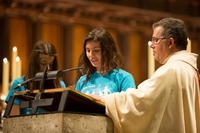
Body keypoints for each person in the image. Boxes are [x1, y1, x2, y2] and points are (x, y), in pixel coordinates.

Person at [88, 18, 200, 133]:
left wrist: (106, 99)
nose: (151, 45)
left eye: (156, 40)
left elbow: (141, 101)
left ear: (170, 42)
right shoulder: (189, 69)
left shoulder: (171, 70)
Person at [5, 41, 66, 115]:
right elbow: (13, 122)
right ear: (34, 63)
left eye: (51, 64)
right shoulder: (19, 85)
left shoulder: (60, 86)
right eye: (43, 64)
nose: (48, 68)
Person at [75, 27, 136, 96]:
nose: (91, 55)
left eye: (96, 50)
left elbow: (128, 105)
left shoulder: (124, 78)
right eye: (88, 50)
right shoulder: (82, 80)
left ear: (108, 51)